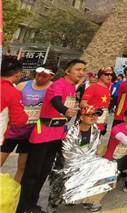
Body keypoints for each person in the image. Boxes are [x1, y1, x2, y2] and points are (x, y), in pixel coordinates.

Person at [17, 59, 84, 213]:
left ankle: (32, 204)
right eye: (78, 69)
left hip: (57, 134)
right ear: (67, 71)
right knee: (33, 173)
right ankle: (22, 206)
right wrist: (65, 110)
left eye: (83, 70)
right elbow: (55, 101)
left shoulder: (72, 87)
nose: (81, 72)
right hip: (43, 133)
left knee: (44, 171)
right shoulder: (58, 84)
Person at [47, 105, 117, 213]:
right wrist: (87, 163)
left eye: (95, 115)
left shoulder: (95, 130)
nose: (93, 117)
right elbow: (67, 155)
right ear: (82, 117)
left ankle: (91, 199)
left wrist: (92, 163)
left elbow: (94, 151)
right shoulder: (71, 133)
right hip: (67, 165)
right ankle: (53, 203)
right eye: (90, 115)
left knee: (107, 165)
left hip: (87, 162)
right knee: (88, 169)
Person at [1, 63, 54, 183]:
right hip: (12, 131)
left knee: (23, 166)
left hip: (32, 133)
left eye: (44, 76)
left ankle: (14, 190)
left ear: (52, 76)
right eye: (38, 75)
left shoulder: (53, 89)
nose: (40, 78)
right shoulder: (22, 85)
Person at [81, 67, 112, 135]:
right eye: (106, 74)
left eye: (111, 75)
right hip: (89, 124)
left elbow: (105, 107)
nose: (109, 76)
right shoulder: (93, 87)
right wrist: (95, 111)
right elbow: (83, 104)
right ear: (100, 75)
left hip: (101, 124)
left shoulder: (108, 89)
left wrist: (105, 121)